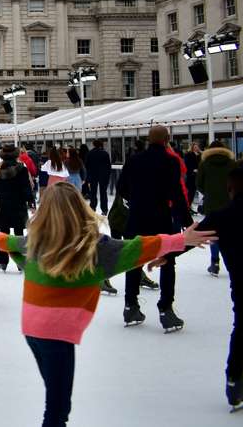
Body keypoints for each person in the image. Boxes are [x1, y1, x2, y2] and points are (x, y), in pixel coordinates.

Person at [0, 183, 214, 426]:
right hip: (57, 337)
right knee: (57, 409)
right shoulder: (96, 249)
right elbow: (139, 247)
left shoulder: (37, 240)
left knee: (55, 398)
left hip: (32, 330)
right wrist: (181, 239)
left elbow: (10, 242)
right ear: (80, 208)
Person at [116, 125, 193, 330]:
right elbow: (176, 194)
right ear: (167, 140)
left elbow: (121, 188)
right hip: (160, 219)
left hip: (136, 218)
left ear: (148, 139)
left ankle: (130, 305)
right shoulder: (170, 162)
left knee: (134, 261)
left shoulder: (133, 160)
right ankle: (166, 309)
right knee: (167, 262)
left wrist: (136, 199)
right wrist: (187, 221)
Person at [192, 166, 243, 409]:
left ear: (231, 188)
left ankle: (234, 379)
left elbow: (192, 237)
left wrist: (166, 256)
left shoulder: (223, 217)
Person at [196, 140, 238, 276]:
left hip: (211, 203)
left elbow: (199, 183)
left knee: (213, 233)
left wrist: (208, 192)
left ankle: (214, 262)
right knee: (231, 232)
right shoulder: (232, 164)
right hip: (230, 203)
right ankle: (233, 262)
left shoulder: (205, 164)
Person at [0, 144, 34, 273]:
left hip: (3, 204)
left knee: (4, 234)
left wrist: (1, 197)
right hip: (17, 204)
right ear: (16, 155)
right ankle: (20, 262)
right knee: (19, 234)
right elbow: (26, 187)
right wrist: (31, 201)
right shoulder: (21, 169)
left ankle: (3, 261)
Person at [85, 140, 111, 215]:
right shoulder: (105, 153)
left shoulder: (90, 153)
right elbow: (108, 166)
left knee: (93, 192)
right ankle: (104, 209)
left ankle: (93, 207)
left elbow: (87, 165)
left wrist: (88, 176)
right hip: (103, 175)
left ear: (93, 145)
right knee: (103, 192)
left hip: (93, 175)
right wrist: (107, 175)